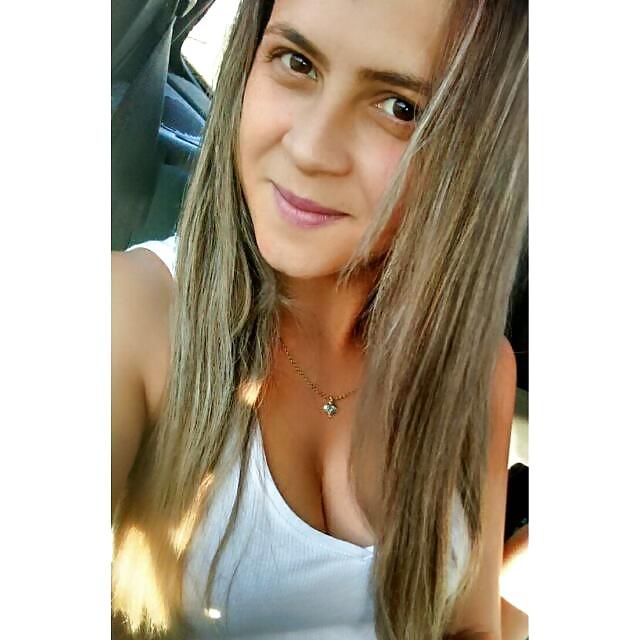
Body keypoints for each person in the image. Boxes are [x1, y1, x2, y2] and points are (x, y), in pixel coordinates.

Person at [111, 0, 528, 638]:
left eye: (401, 108)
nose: (309, 149)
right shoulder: (130, 313)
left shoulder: (479, 373)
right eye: (297, 62)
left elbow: (470, 629)